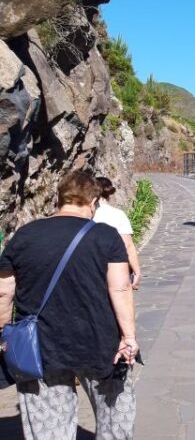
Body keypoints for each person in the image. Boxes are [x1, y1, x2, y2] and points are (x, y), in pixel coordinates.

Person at [0, 171, 138, 439]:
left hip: (40, 347)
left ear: (59, 198)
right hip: (101, 342)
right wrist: (129, 337)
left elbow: (4, 292)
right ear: (93, 201)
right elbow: (120, 288)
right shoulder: (106, 236)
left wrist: (3, 331)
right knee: (115, 416)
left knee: (49, 427)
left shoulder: (25, 236)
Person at [93, 177, 143, 290]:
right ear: (110, 194)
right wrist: (137, 271)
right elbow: (128, 245)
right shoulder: (118, 215)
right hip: (115, 266)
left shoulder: (87, 214)